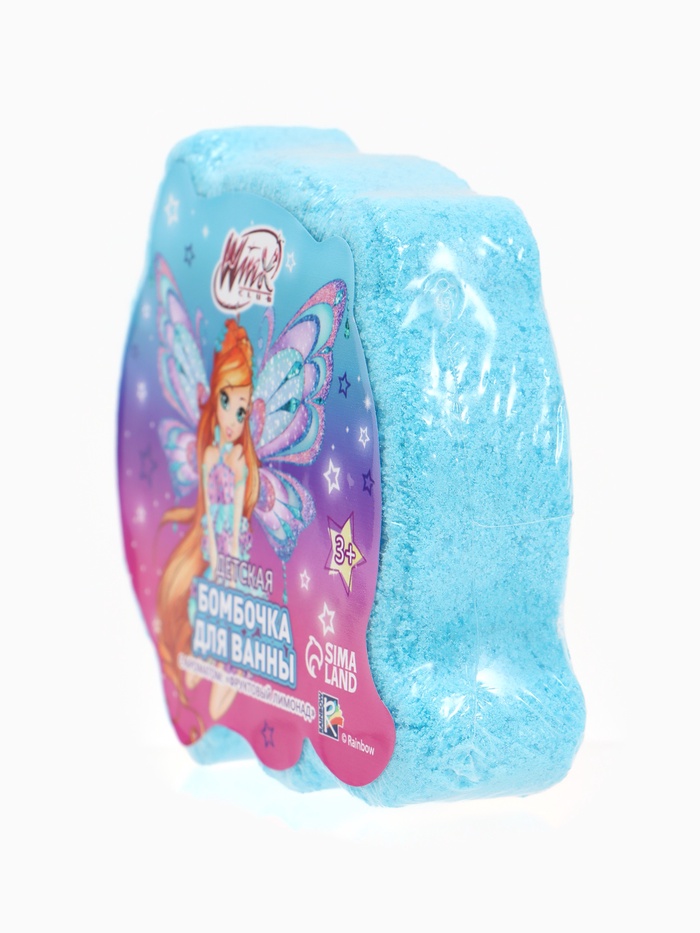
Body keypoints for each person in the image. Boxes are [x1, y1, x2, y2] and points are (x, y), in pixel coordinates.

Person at [157, 319, 260, 721]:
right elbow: (206, 505)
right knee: (201, 653)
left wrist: (227, 567)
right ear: (215, 396)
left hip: (231, 560)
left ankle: (230, 670)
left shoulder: (237, 462)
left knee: (226, 664)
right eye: (227, 402)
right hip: (212, 557)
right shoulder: (209, 455)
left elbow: (233, 522)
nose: (232, 418)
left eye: (242, 410)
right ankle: (216, 663)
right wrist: (215, 560)